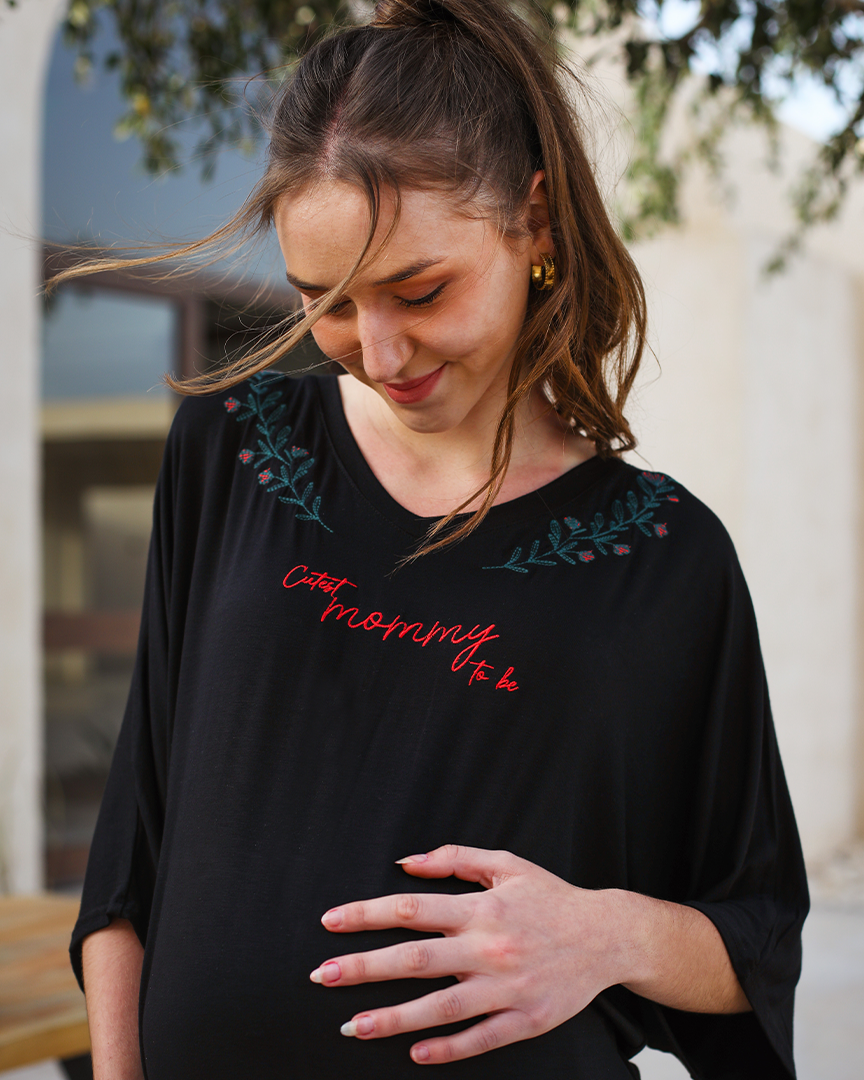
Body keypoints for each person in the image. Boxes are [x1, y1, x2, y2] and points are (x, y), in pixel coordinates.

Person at [66, 0, 809, 1076]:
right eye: (326, 302)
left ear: (535, 223)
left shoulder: (665, 556)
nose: (379, 352)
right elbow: (130, 853)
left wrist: (610, 934)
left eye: (420, 290)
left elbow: (758, 942)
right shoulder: (229, 451)